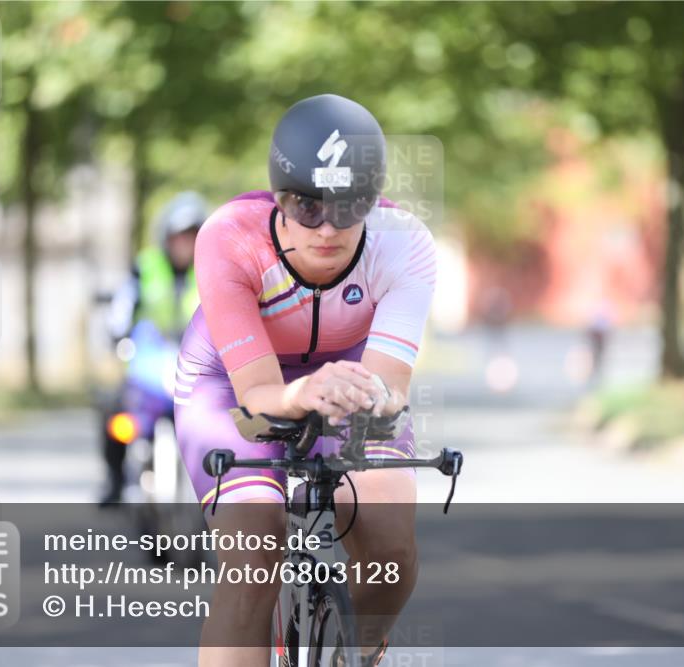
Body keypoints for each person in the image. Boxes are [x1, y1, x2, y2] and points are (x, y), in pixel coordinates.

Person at [175, 94, 437, 665]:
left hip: (349, 381)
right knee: (253, 554)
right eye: (306, 205)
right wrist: (298, 394)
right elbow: (258, 399)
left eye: (348, 207)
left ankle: (358, 648)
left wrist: (355, 395)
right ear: (278, 196)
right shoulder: (230, 236)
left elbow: (386, 391)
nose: (326, 226)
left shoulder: (405, 243)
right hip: (233, 383)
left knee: (392, 548)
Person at [99, 191, 207, 506]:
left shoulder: (211, 269)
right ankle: (115, 480)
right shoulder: (146, 266)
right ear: (167, 238)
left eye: (192, 237)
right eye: (180, 237)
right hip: (151, 362)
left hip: (194, 368)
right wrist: (118, 335)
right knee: (114, 410)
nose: (185, 245)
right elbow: (122, 305)